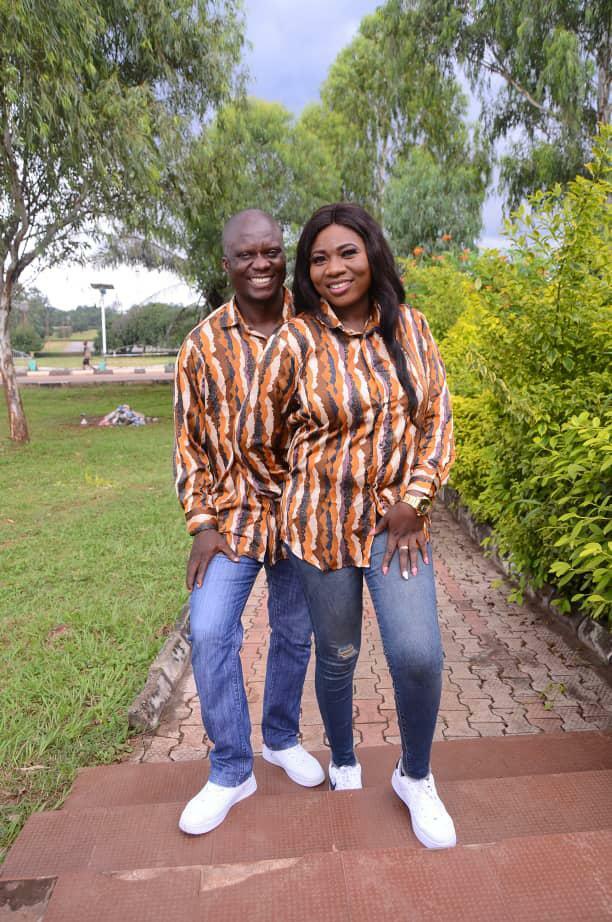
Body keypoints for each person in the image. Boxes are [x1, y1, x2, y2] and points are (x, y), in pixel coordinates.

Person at [236, 203, 456, 850]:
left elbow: (437, 423)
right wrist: (298, 496)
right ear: (307, 273)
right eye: (319, 258)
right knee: (337, 656)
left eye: (347, 252)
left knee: (418, 655)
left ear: (372, 255)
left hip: (397, 530)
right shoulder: (296, 341)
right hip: (319, 533)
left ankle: (415, 776)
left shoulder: (410, 328)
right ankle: (343, 758)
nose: (334, 268)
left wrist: (415, 498)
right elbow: (258, 438)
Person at [173, 208, 324, 836]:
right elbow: (188, 443)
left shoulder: (318, 327)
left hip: (301, 515)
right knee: (210, 631)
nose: (261, 264)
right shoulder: (202, 344)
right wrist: (201, 522)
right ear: (226, 263)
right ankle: (232, 769)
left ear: (284, 254)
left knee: (294, 632)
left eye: (271, 251)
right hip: (232, 516)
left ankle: (281, 738)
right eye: (246, 254)